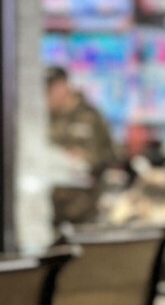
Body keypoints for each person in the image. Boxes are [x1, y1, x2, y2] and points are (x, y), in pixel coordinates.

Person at [46, 66, 116, 228]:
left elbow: (110, 153)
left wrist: (86, 160)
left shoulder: (90, 116)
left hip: (84, 205)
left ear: (64, 86)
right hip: (53, 205)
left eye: (52, 88)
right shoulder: (48, 118)